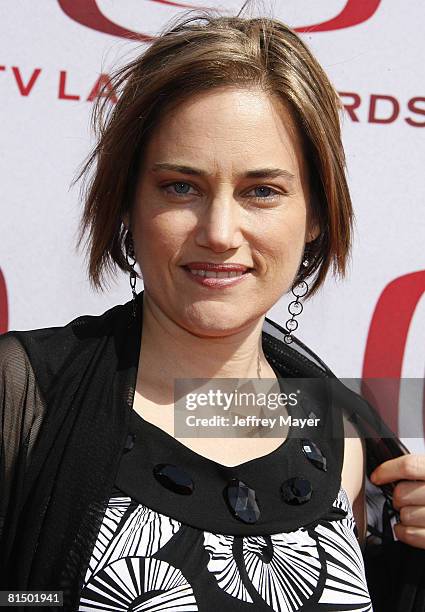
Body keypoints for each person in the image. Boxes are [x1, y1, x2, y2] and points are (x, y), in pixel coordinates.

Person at [1, 4, 424, 611]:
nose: (220, 231)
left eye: (262, 191)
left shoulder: (342, 436)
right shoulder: (24, 396)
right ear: (127, 203)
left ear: (315, 216)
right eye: (181, 187)